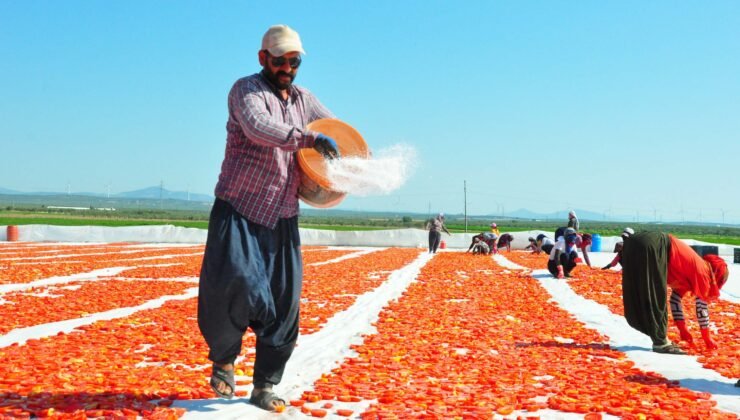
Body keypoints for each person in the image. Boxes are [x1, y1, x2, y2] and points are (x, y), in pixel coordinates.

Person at [197, 24, 341, 412]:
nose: (287, 68)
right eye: (279, 61)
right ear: (263, 58)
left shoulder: (303, 98)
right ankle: (225, 360)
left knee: (284, 302)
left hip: (282, 214)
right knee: (238, 286)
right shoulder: (245, 90)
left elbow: (332, 130)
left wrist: (346, 154)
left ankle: (264, 385)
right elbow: (260, 128)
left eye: (294, 61)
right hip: (240, 207)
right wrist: (309, 140)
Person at [621, 231, 729, 354]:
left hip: (633, 243)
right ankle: (661, 343)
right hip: (656, 245)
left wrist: (683, 330)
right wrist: (707, 338)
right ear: (717, 276)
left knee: (640, 289)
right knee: (656, 295)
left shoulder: (689, 272)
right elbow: (701, 307)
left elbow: (675, 300)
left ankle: (654, 334)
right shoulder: (704, 271)